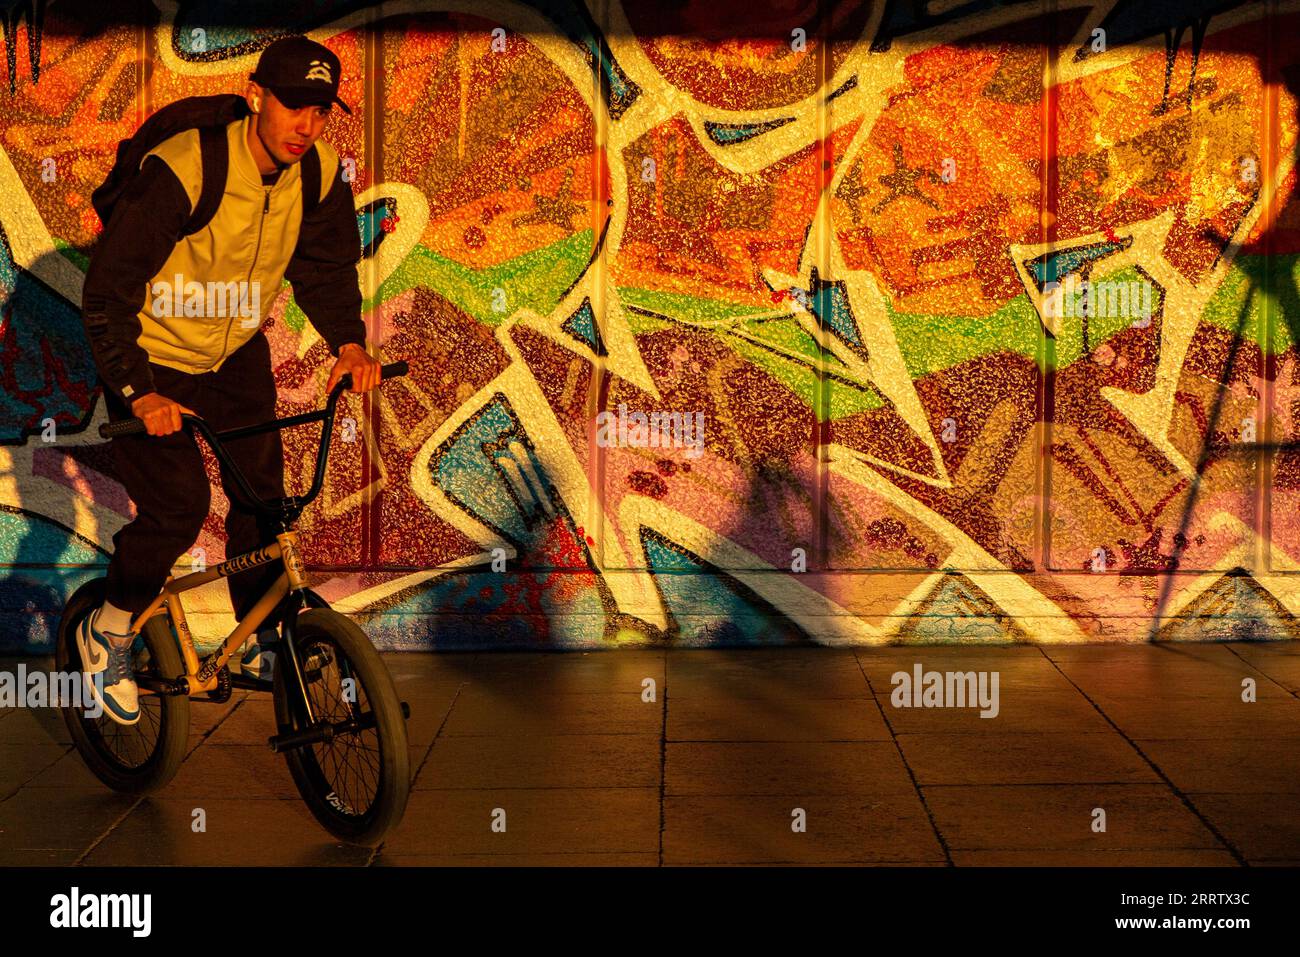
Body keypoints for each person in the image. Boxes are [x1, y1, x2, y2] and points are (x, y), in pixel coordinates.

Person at [78, 35, 381, 724]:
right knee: (179, 506)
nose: (306, 126)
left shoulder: (318, 173)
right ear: (256, 97)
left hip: (232, 350)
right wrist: (138, 390)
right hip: (152, 352)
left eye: (320, 111)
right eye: (293, 107)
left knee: (264, 500)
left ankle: (265, 636)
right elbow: (106, 294)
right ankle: (113, 625)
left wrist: (350, 342)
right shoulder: (186, 169)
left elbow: (327, 269)